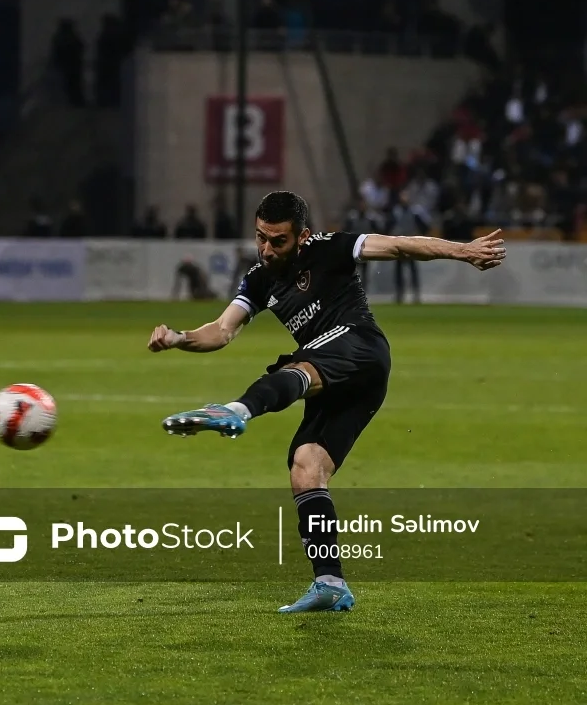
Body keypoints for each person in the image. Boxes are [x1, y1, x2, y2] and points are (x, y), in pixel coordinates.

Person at [146, 191, 505, 613]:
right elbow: (222, 332)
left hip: (360, 347)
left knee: (298, 369)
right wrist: (179, 338)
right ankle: (330, 583)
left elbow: (399, 244)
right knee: (306, 466)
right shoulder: (260, 279)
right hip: (345, 380)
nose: (266, 248)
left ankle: (237, 410)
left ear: (303, 237)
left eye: (277, 240)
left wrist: (462, 251)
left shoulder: (330, 247)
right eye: (260, 237)